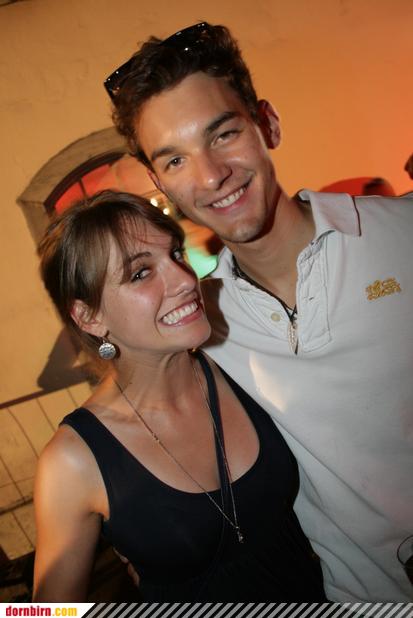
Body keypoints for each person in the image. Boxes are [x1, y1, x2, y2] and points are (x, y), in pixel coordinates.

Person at [105, 23, 413, 601]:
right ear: (157, 181)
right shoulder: (197, 328)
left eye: (223, 134)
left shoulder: (404, 235)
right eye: (175, 160)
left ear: (267, 124)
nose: (210, 176)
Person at [33, 190, 326, 601]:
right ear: (89, 316)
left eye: (175, 254)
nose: (186, 280)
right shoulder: (74, 460)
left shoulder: (240, 367)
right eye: (140, 273)